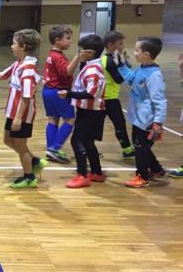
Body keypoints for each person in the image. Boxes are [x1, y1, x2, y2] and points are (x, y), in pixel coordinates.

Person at [0, 29, 48, 189]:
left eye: (14, 43)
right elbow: (2, 76)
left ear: (23, 46)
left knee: (21, 146)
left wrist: (18, 118)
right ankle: (35, 162)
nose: (11, 46)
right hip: (13, 111)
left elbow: (26, 97)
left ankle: (29, 177)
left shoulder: (28, 69)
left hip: (22, 114)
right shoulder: (19, 63)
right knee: (8, 140)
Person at [116, 37, 167, 188]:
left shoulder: (154, 76)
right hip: (139, 118)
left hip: (148, 121)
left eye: (137, 50)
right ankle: (156, 169)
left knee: (140, 148)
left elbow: (160, 101)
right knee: (141, 146)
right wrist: (121, 64)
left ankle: (142, 176)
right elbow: (131, 79)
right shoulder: (142, 68)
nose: (134, 53)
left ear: (147, 54)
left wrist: (157, 122)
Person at [58, 35, 107, 188]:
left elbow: (91, 93)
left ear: (90, 53)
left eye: (81, 51)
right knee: (88, 142)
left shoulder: (93, 69)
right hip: (89, 110)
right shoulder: (90, 65)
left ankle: (82, 175)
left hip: (90, 112)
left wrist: (68, 93)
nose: (79, 53)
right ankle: (97, 172)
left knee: (77, 141)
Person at [42, 25, 81, 164]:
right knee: (70, 120)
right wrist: (78, 57)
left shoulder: (51, 54)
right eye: (68, 38)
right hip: (59, 92)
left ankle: (50, 149)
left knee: (52, 119)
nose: (70, 41)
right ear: (58, 40)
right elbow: (67, 72)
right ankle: (55, 148)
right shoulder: (58, 57)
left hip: (47, 90)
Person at [101, 31, 135, 158]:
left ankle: (127, 149)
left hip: (103, 97)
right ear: (110, 45)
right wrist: (124, 65)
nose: (122, 46)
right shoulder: (111, 62)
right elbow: (118, 79)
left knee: (97, 124)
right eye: (120, 44)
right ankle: (127, 150)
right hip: (110, 98)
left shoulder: (104, 58)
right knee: (119, 124)